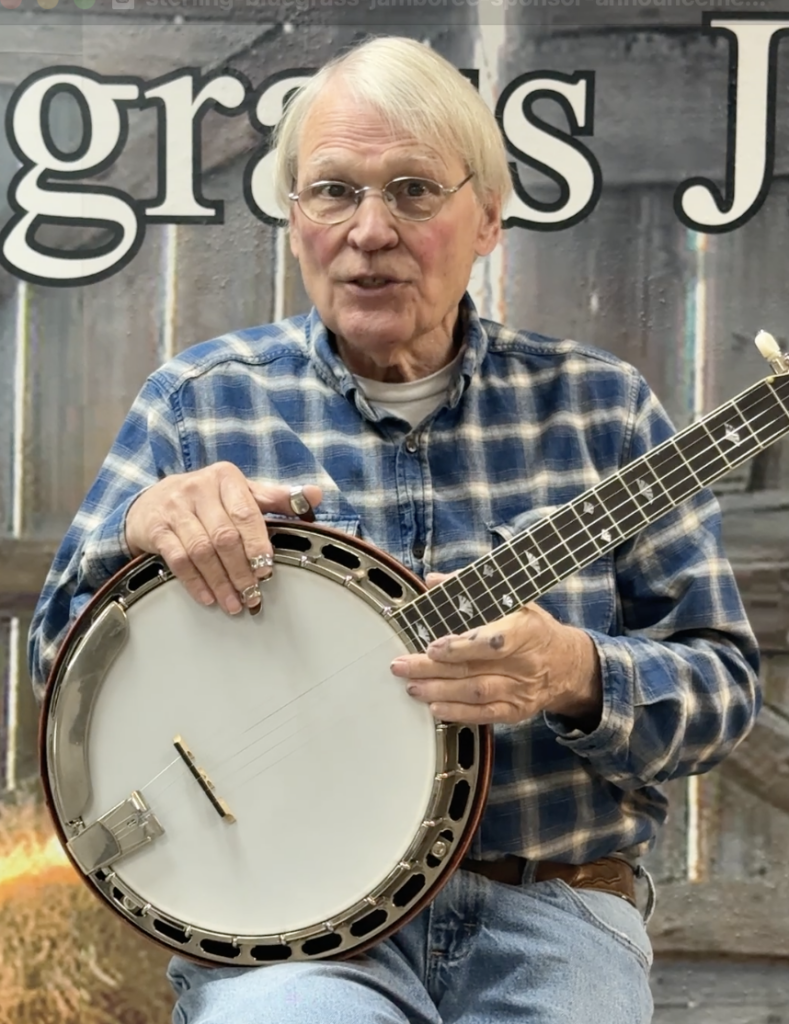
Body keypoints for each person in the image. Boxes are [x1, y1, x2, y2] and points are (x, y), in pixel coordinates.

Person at [29, 35, 760, 1024]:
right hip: (285, 936)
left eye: (414, 190)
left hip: (551, 910)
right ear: (295, 219)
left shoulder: (602, 408)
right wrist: (130, 542)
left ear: (489, 219)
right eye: (333, 190)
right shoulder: (201, 403)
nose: (369, 229)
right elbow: (52, 662)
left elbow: (722, 686)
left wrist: (579, 675)